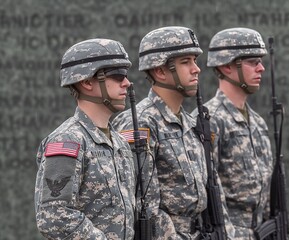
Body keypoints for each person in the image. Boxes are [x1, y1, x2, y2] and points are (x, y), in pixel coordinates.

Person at [112, 26, 209, 240]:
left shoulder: (190, 123)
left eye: (195, 60)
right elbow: (143, 204)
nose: (196, 69)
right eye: (186, 62)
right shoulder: (141, 123)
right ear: (160, 71)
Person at [34, 38, 136, 239]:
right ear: (87, 82)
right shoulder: (67, 141)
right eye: (117, 75)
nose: (127, 82)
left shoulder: (120, 143)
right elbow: (53, 216)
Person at [192, 27, 273, 239]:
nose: (261, 68)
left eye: (260, 61)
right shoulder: (210, 120)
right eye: (253, 62)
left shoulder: (258, 123)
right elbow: (207, 192)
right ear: (227, 66)